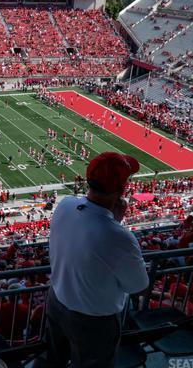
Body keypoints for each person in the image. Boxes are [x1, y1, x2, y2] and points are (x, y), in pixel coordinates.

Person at [35, 152, 149, 368]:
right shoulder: (119, 236)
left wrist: (112, 221)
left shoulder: (65, 205)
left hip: (56, 301)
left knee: (54, 359)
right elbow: (139, 286)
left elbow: (88, 233)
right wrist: (116, 222)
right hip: (94, 319)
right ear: (122, 190)